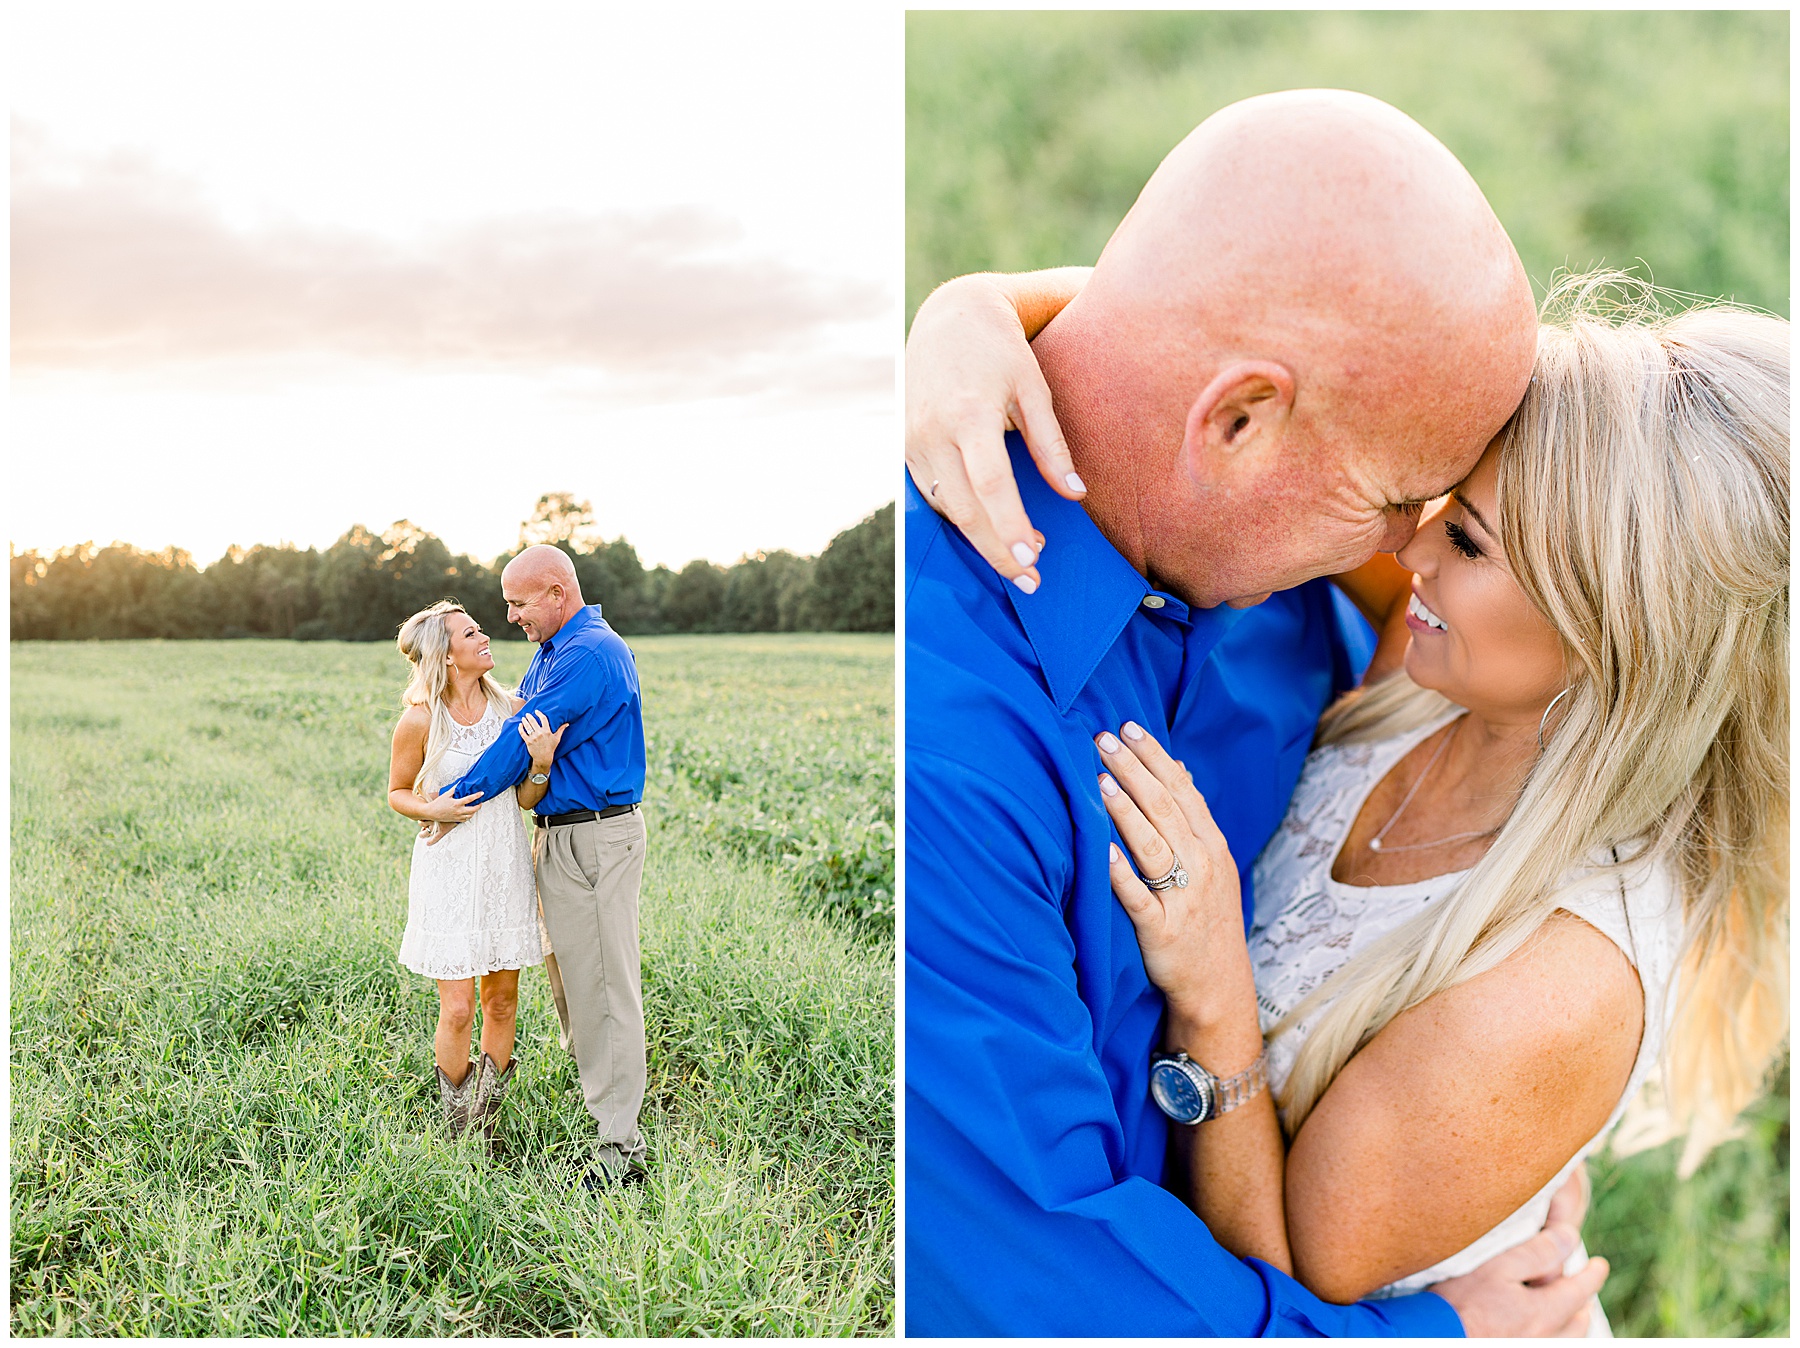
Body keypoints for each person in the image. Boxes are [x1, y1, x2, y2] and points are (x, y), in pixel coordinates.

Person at [904, 90, 1604, 1336]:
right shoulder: (944, 764)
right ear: (1235, 425)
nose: (1415, 553)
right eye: (1399, 501)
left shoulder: (1272, 571)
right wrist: (1441, 1333)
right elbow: (1058, 1301)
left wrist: (984, 302)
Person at [1085, 286, 1787, 1334]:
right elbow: (1242, 369)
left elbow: (1298, 1289)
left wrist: (1215, 996)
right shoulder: (1443, 665)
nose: (1407, 552)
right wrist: (981, 318)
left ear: (1612, 632)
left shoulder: (1558, 983)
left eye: (1464, 540)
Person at [435, 544, 650, 1188]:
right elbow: (529, 748)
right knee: (573, 988)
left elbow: (516, 737)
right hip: (557, 834)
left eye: (519, 603)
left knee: (604, 991)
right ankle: (605, 1120)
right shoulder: (552, 651)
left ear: (557, 593)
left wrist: (454, 801)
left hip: (595, 836)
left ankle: (620, 1153)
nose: (510, 617)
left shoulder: (590, 651)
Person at [387, 600, 567, 1141]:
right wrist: (433, 807)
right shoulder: (420, 719)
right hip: (447, 873)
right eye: (471, 633)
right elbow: (396, 793)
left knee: (502, 1002)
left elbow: (526, 799)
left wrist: (541, 763)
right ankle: (456, 1126)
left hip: (503, 865)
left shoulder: (512, 709)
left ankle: (487, 1125)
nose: (485, 636)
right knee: (460, 1008)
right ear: (446, 655)